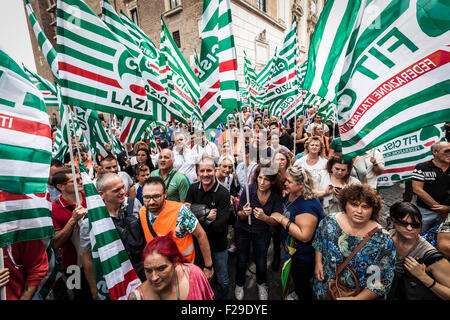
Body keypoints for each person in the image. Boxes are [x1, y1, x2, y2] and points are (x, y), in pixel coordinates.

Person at [312, 184, 396, 300]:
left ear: (373, 210)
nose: (359, 211)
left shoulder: (382, 240)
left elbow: (381, 281)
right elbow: (319, 241)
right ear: (345, 204)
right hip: (326, 287)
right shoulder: (330, 221)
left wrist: (356, 299)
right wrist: (318, 263)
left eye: (365, 207)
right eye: (354, 205)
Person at [80, 173, 146, 298]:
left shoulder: (134, 204)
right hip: (115, 276)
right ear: (101, 194)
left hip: (141, 270)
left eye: (123, 187)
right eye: (116, 190)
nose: (122, 192)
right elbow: (88, 257)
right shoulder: (89, 222)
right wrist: (94, 289)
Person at [138, 177, 214, 280]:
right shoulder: (142, 212)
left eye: (156, 196)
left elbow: (201, 235)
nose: (151, 202)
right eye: (146, 197)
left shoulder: (180, 212)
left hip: (184, 270)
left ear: (165, 194)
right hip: (159, 272)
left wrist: (208, 266)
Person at [271, 166, 324, 301]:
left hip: (303, 256)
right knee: (298, 279)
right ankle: (297, 291)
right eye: (285, 180)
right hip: (293, 251)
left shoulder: (307, 206)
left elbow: (304, 236)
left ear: (301, 184)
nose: (285, 184)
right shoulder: (293, 193)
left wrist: (282, 219)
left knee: (302, 281)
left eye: (289, 182)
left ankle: (302, 294)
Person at [234, 163, 283, 300]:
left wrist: (265, 217)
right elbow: (239, 214)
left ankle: (262, 284)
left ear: (272, 181)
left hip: (262, 233)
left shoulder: (276, 196)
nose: (262, 182)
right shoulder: (249, 189)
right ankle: (239, 283)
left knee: (261, 262)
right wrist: (244, 212)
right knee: (241, 260)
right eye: (260, 178)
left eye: (266, 179)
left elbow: (276, 221)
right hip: (243, 230)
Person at [185, 157, 231, 300]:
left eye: (209, 170)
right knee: (204, 279)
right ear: (198, 172)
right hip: (198, 245)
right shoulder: (193, 188)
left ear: (215, 170)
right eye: (202, 170)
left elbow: (220, 226)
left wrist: (195, 213)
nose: (205, 174)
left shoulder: (223, 193)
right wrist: (205, 215)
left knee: (223, 280)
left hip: (217, 245)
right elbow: (186, 218)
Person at [387, 202, 450, 300]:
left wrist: (423, 277)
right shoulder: (385, 237)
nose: (409, 228)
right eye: (404, 223)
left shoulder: (430, 256)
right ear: (392, 221)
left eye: (415, 225)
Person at [128, 233, 214, 300]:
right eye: (148, 270)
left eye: (161, 268)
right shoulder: (138, 297)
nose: (154, 278)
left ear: (175, 263)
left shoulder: (194, 274)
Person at [51, 169, 91, 300]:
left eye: (80, 179)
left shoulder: (91, 197)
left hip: (96, 260)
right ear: (60, 186)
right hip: (72, 266)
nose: (80, 182)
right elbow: (55, 243)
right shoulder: (54, 209)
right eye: (75, 180)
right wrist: (73, 220)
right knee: (79, 296)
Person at [412, 141, 450, 233]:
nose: (449, 154)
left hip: (448, 214)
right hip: (424, 212)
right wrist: (440, 208)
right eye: (447, 151)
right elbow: (417, 189)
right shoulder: (422, 167)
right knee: (418, 239)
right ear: (435, 152)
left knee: (442, 242)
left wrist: (448, 208)